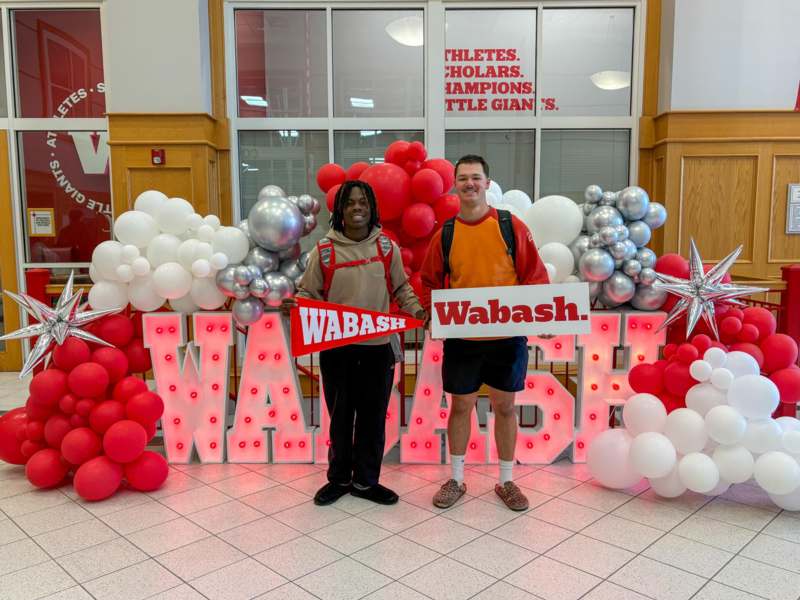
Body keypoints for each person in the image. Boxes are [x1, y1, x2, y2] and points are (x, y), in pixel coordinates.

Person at [280, 180, 426, 506]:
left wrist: (419, 311)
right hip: (337, 350)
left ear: (372, 208)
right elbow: (309, 294)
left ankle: (366, 481)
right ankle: (339, 479)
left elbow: (402, 289)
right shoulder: (325, 251)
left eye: (363, 202)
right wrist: (296, 306)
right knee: (341, 416)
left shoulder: (386, 249)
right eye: (350, 203)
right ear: (340, 211)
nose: (357, 207)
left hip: (378, 348)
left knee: (373, 418)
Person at [420, 155, 550, 511]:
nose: (470, 184)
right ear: (455, 185)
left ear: (487, 183)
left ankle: (507, 481)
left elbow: (535, 276)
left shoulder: (511, 226)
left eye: (476, 177)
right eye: (463, 178)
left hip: (507, 338)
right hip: (463, 339)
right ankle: (457, 479)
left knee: (505, 406)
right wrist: (431, 314)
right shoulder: (446, 233)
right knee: (460, 406)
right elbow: (429, 282)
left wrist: (547, 317)